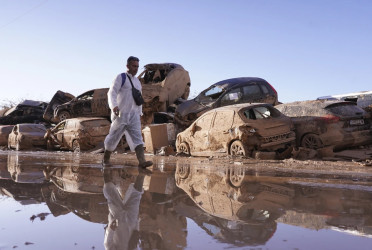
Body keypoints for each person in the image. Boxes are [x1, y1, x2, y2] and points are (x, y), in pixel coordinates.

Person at [103, 56, 152, 168]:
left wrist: (140, 113)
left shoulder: (137, 82)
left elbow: (138, 98)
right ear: (128, 66)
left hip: (134, 115)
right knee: (113, 136)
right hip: (121, 114)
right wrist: (114, 106)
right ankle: (106, 159)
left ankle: (142, 161)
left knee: (138, 137)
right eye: (134, 66)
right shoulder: (121, 77)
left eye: (137, 67)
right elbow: (112, 93)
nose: (136, 69)